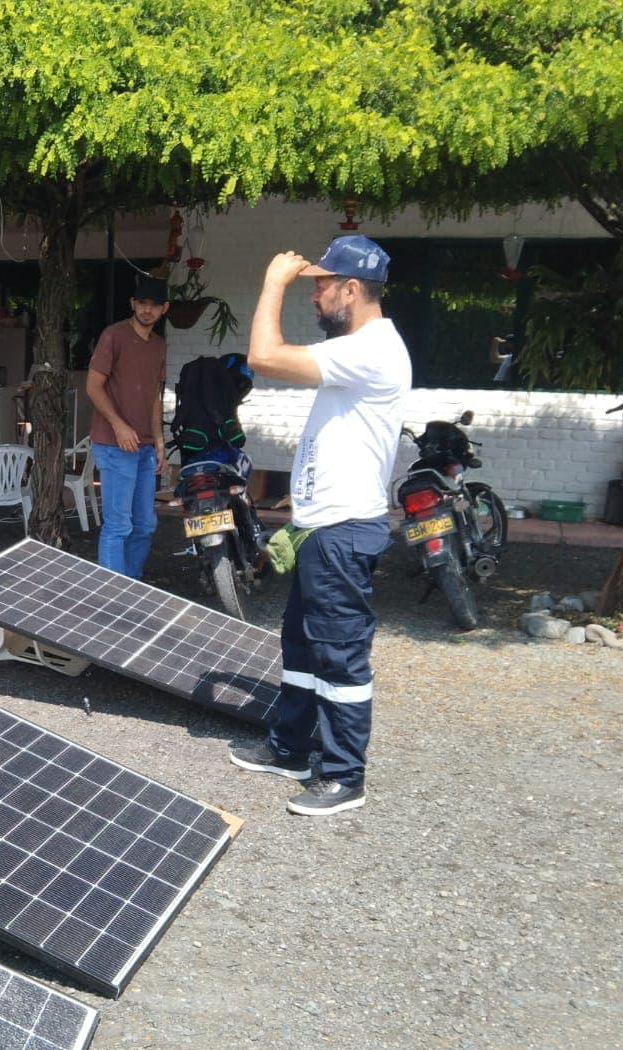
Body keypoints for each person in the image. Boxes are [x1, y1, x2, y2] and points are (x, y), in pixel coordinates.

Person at [230, 235, 412, 816]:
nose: (315, 297)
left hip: (342, 532)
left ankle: (343, 775)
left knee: (338, 656)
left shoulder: (373, 349)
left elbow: (263, 356)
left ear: (351, 290)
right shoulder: (359, 347)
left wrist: (273, 282)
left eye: (321, 286)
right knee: (303, 649)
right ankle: (291, 748)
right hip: (321, 528)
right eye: (309, 286)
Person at [85, 271, 169, 578]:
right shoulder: (114, 335)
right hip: (112, 443)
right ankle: (113, 599)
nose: (147, 309)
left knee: (145, 525)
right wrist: (119, 426)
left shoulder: (159, 345)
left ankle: (131, 589)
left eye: (154, 304)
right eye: (142, 303)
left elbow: (154, 397)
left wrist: (159, 441)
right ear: (133, 303)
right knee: (118, 524)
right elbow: (93, 386)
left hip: (145, 447)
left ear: (164, 308)